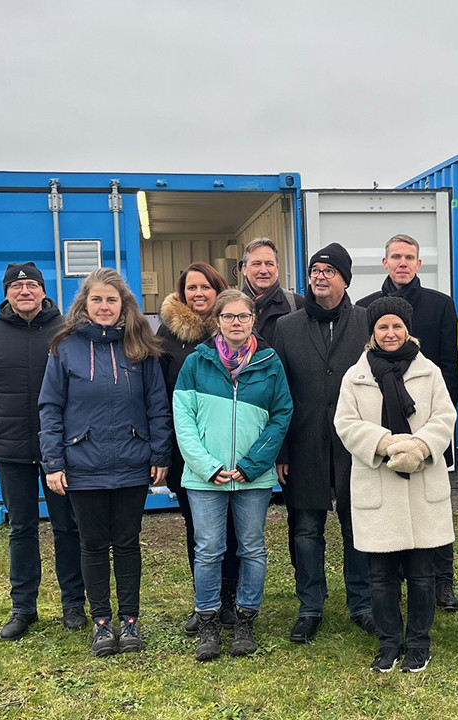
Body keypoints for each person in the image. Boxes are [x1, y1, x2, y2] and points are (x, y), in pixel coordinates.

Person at [38, 268, 172, 657]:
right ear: (84, 304)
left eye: (111, 300)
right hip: (83, 463)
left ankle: (130, 620)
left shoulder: (141, 346)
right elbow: (50, 407)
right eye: (97, 299)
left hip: (132, 461)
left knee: (128, 543)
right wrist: (54, 462)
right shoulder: (65, 347)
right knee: (93, 544)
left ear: (124, 305)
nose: (104, 306)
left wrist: (160, 452)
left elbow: (157, 405)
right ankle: (100, 623)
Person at [335, 296, 457, 674]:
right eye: (383, 327)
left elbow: (444, 416)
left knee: (422, 575)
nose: (390, 333)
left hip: (421, 486)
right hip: (379, 486)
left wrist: (420, 447)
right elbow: (347, 424)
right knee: (380, 576)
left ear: (408, 329)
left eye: (397, 326)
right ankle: (389, 643)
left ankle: (419, 643)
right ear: (372, 332)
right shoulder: (355, 376)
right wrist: (386, 445)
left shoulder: (429, 372)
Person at [0, 262, 85, 640]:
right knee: (22, 528)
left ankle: (73, 604)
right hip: (12, 448)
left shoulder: (68, 332)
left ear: (43, 290)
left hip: (63, 451)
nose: (25, 292)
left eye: (32, 285)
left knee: (68, 527)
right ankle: (23, 608)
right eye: (17, 287)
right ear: (6, 293)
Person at [173, 289, 293, 661]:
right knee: (208, 549)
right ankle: (207, 620)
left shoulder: (270, 362)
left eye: (243, 317)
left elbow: (281, 415)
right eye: (229, 317)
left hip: (251, 478)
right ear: (218, 322)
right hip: (204, 477)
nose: (236, 323)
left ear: (253, 320)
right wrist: (207, 466)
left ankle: (245, 618)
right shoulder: (196, 362)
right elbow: (183, 419)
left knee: (252, 547)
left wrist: (250, 465)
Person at [274, 243, 374, 643]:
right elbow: (279, 393)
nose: (319, 276)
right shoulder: (287, 326)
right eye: (315, 269)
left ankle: (362, 603)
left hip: (356, 444)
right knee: (305, 531)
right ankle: (310, 605)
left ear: (345, 279)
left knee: (358, 527)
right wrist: (281, 451)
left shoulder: (367, 321)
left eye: (329, 271)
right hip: (303, 445)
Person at [357, 234, 458, 612]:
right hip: (382, 426)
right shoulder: (364, 308)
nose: (403, 262)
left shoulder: (440, 304)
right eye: (396, 256)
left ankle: (442, 581)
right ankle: (394, 581)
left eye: (410, 257)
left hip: (428, 425)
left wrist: (432, 425)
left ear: (419, 264)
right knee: (389, 506)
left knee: (434, 503)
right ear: (385, 262)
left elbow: (450, 367)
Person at [156, 262, 242, 634]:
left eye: (206, 287)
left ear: (217, 289)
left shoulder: (233, 328)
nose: (199, 294)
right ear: (182, 292)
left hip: (232, 447)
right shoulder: (168, 335)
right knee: (199, 529)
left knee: (235, 530)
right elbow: (159, 395)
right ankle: (204, 602)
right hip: (187, 451)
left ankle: (230, 600)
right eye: (192, 288)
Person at [241, 237, 304, 346]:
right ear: (244, 269)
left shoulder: (296, 304)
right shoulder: (231, 306)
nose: (264, 271)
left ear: (277, 269)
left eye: (269, 264)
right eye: (257, 264)